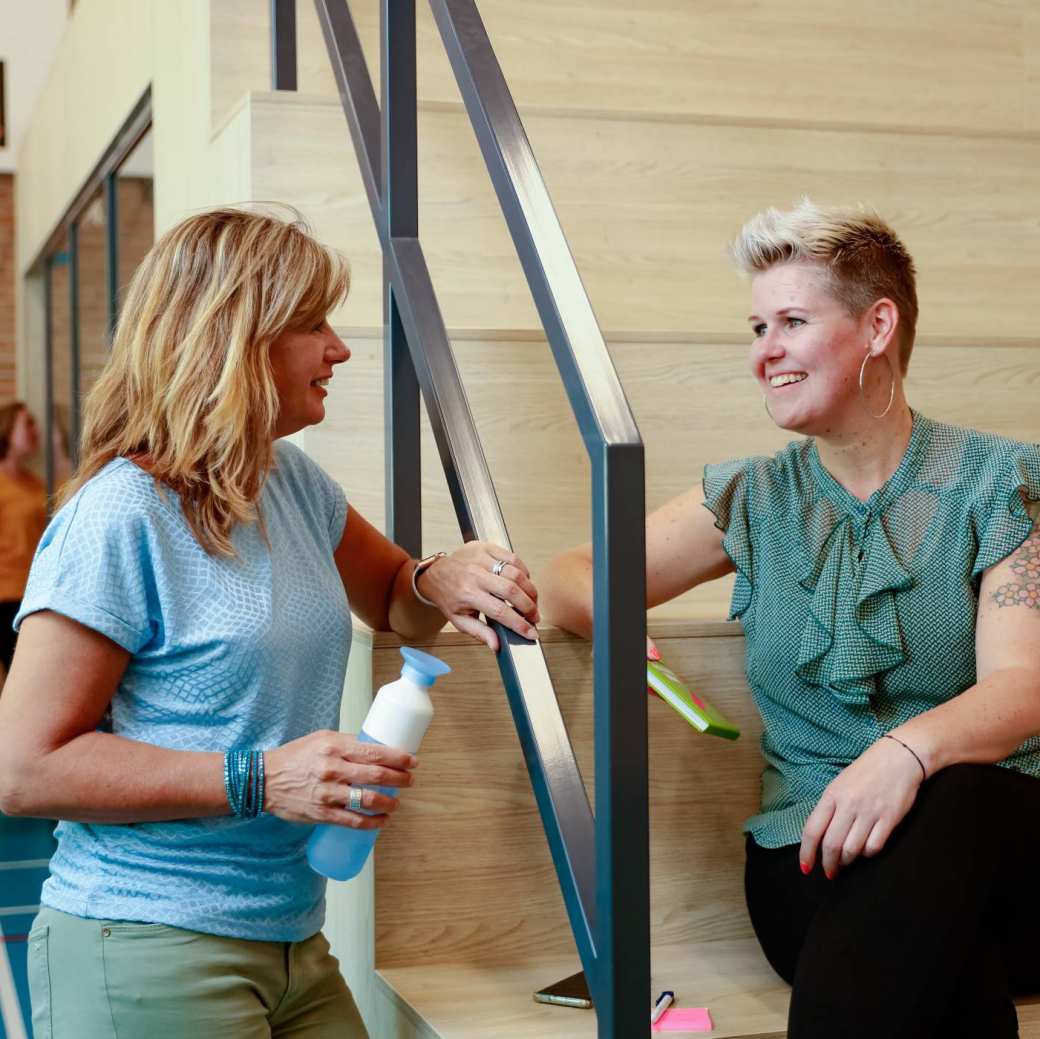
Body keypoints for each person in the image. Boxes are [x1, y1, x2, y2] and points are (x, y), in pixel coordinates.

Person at [0, 207, 540, 1039]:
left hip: (290, 937)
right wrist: (262, 776)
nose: (341, 349)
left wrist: (442, 575)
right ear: (234, 338)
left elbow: (395, 592)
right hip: (146, 937)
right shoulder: (119, 518)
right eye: (313, 323)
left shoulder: (290, 481)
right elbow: (25, 770)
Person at [542, 199, 1040, 1038]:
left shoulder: (998, 480)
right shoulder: (753, 497)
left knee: (950, 806)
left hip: (996, 848)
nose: (762, 352)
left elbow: (1024, 686)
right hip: (812, 860)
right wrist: (613, 618)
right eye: (756, 326)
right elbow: (567, 577)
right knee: (940, 965)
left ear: (878, 326)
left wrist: (903, 756)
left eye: (792, 322)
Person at [0, 401, 46, 679]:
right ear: (6, 432)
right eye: (27, 423)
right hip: (4, 596)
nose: (34, 430)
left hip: (30, 594)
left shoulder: (36, 482)